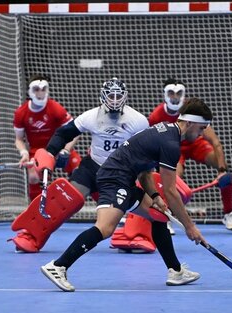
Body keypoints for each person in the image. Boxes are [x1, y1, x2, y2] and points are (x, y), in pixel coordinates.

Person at [40, 97, 211, 292]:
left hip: (126, 178)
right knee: (105, 228)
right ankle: (58, 266)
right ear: (188, 123)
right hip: (114, 178)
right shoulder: (171, 144)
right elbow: (171, 192)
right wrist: (190, 227)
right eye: (201, 128)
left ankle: (176, 271)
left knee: (159, 216)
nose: (202, 134)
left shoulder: (166, 131)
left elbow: (145, 172)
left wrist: (154, 196)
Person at [10, 77, 150, 253]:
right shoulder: (91, 116)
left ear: (125, 97)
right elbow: (63, 133)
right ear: (102, 97)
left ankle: (136, 236)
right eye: (110, 96)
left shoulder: (138, 121)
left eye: (118, 96)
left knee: (140, 206)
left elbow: (148, 149)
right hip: (92, 167)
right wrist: (50, 153)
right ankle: (31, 235)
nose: (114, 100)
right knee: (64, 199)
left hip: (119, 173)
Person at [148, 78, 232, 231]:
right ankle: (166, 216)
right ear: (165, 94)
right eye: (171, 93)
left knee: (223, 167)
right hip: (173, 147)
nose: (175, 97)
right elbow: (152, 145)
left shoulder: (193, 111)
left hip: (195, 143)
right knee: (173, 177)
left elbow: (215, 142)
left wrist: (222, 171)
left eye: (178, 93)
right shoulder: (156, 117)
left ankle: (229, 213)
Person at [13, 74, 81, 201]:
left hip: (58, 148)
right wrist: (24, 153)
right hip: (37, 152)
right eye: (36, 89)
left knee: (80, 171)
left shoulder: (55, 108)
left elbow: (75, 132)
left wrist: (65, 150)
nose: (40, 93)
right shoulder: (20, 113)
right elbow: (18, 139)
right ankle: (36, 211)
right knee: (32, 176)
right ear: (30, 91)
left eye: (44, 89)